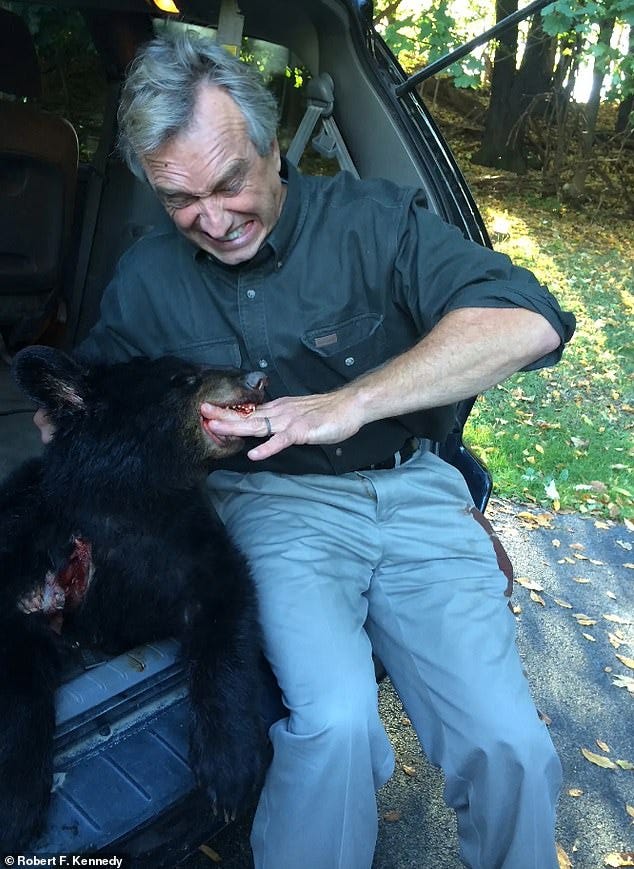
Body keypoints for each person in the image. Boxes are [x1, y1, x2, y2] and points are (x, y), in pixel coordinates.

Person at [36, 29, 575, 869]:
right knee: (334, 723)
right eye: (181, 199)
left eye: (229, 183)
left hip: (413, 491)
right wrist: (63, 429)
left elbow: (527, 321)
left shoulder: (373, 221)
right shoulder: (146, 279)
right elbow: (95, 402)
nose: (214, 220)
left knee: (510, 744)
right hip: (272, 503)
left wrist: (351, 402)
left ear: (273, 148)